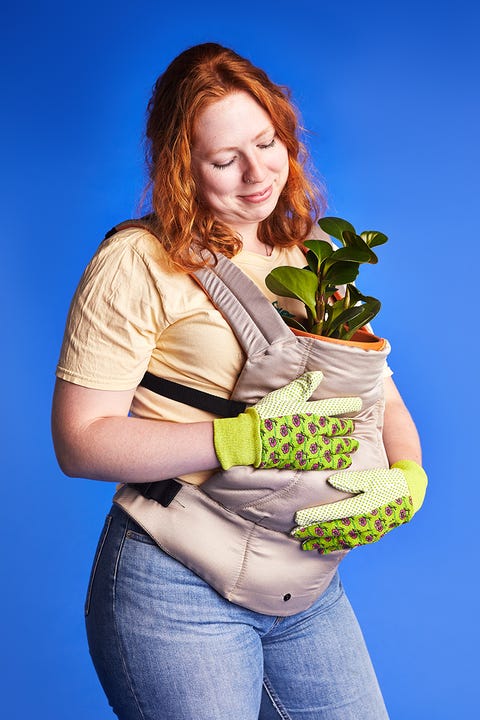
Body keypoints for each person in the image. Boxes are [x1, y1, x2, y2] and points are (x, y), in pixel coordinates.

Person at [51, 43, 427, 720]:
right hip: (176, 588)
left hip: (305, 588)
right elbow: (81, 442)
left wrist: (408, 475)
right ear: (181, 166)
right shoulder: (136, 263)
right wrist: (243, 438)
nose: (258, 174)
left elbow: (382, 392)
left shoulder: (309, 255)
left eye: (267, 143)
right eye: (225, 160)